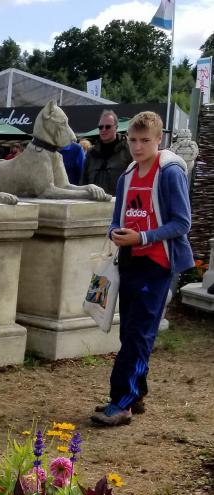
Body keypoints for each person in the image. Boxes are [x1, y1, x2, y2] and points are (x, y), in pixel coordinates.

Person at [92, 111, 193, 427]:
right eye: (133, 140)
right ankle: (135, 395)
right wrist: (115, 233)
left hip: (157, 263)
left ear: (158, 139)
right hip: (130, 261)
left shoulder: (170, 173)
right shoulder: (127, 176)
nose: (137, 147)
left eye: (145, 140)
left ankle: (121, 403)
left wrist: (143, 237)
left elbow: (182, 223)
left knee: (139, 335)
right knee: (130, 332)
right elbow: (115, 219)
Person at [81, 109, 131, 197]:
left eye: (108, 126)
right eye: (100, 127)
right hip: (92, 204)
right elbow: (83, 182)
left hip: (118, 204)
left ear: (116, 127)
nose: (103, 129)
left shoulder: (128, 150)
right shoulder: (91, 153)